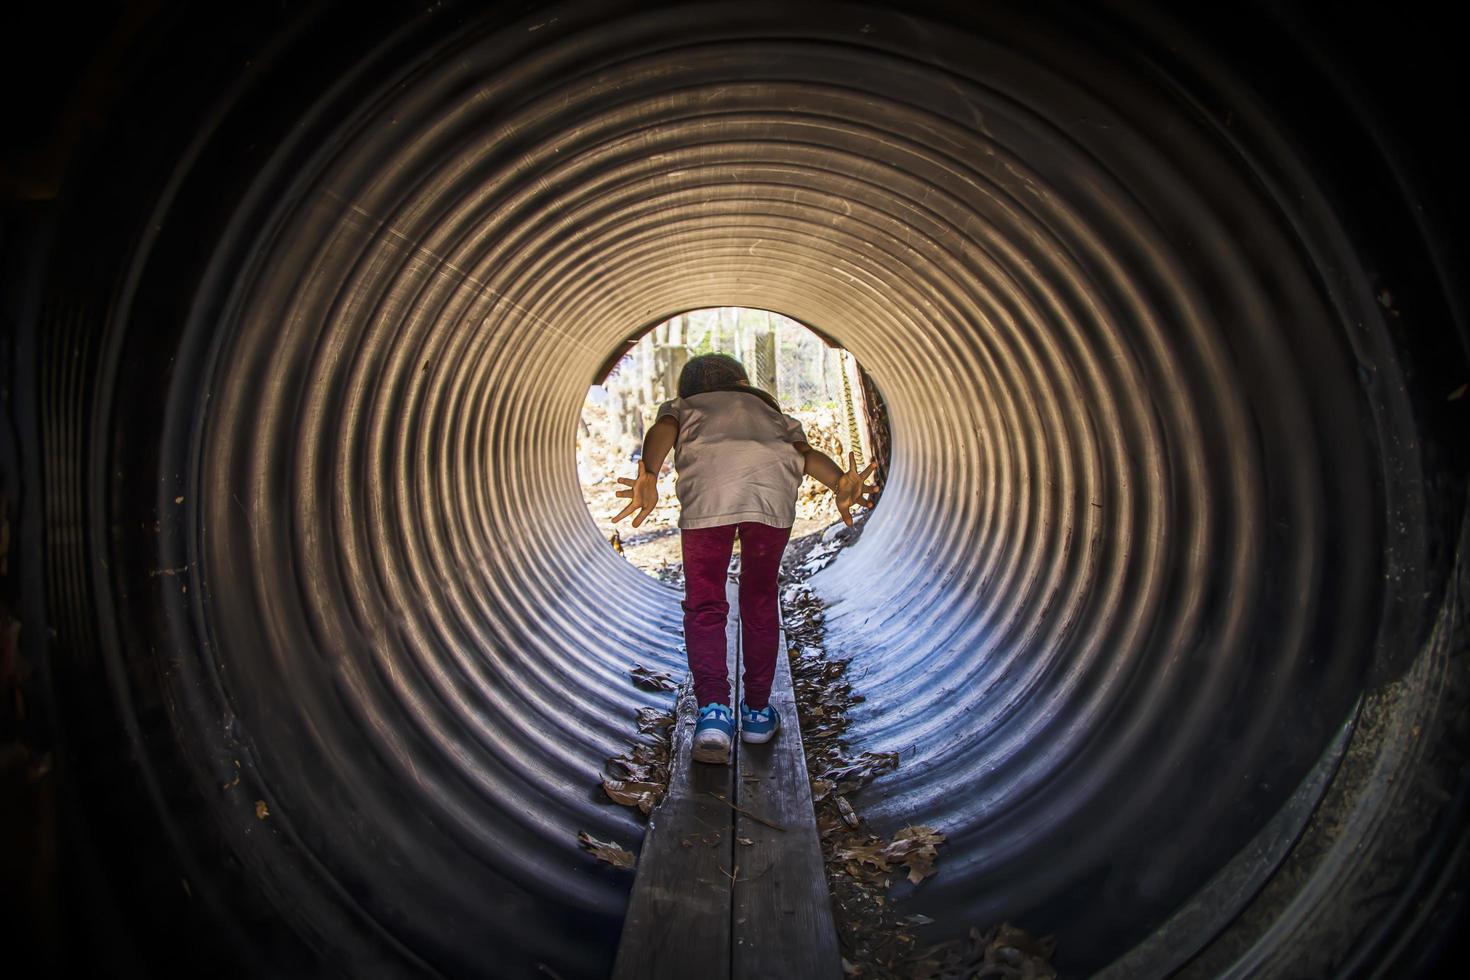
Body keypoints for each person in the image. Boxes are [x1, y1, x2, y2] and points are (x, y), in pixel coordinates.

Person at [612, 353, 878, 764]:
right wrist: (839, 481)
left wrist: (649, 470)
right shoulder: (766, 410)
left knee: (705, 603)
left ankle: (714, 714)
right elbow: (803, 455)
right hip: (769, 493)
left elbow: (663, 428)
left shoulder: (684, 407)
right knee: (758, 599)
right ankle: (756, 713)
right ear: (742, 383)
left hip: (708, 498)